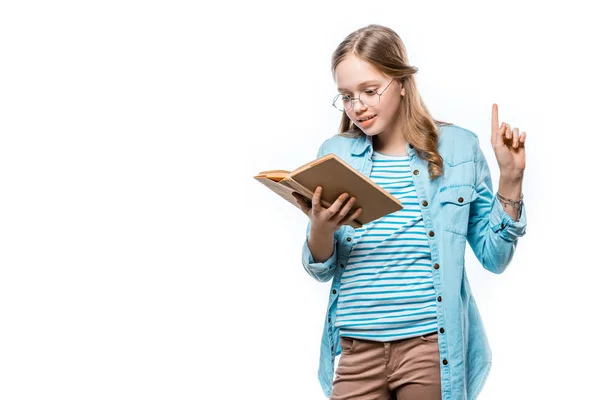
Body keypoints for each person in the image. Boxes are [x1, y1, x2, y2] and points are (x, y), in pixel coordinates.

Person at [290, 24, 527, 400]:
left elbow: (495, 258)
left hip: (429, 349)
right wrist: (319, 228)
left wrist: (511, 179)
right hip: (355, 348)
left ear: (402, 81)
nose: (358, 107)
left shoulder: (459, 148)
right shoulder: (335, 153)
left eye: (370, 91)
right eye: (347, 96)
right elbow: (322, 268)